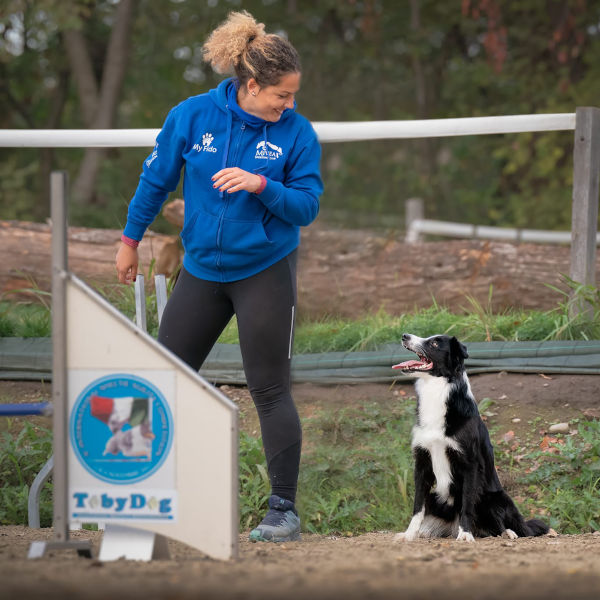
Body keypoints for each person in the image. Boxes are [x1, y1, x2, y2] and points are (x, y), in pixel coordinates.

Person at [115, 10, 323, 543]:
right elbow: (155, 180)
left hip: (265, 271)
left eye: (293, 96)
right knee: (163, 381)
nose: (290, 105)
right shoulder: (191, 116)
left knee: (270, 388)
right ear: (251, 85)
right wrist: (130, 240)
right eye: (282, 95)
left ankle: (283, 512)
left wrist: (260, 185)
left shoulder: (297, 134)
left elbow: (305, 207)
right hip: (202, 272)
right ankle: (140, 495)